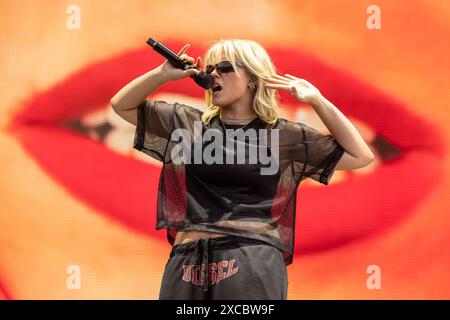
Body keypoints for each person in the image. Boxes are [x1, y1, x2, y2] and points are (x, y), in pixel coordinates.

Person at [111, 38, 372, 300]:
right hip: (187, 261)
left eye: (224, 67)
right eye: (211, 68)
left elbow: (360, 156)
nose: (213, 73)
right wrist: (162, 74)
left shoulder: (282, 136)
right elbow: (121, 105)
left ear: (252, 78)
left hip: (250, 261)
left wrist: (317, 100)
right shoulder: (187, 124)